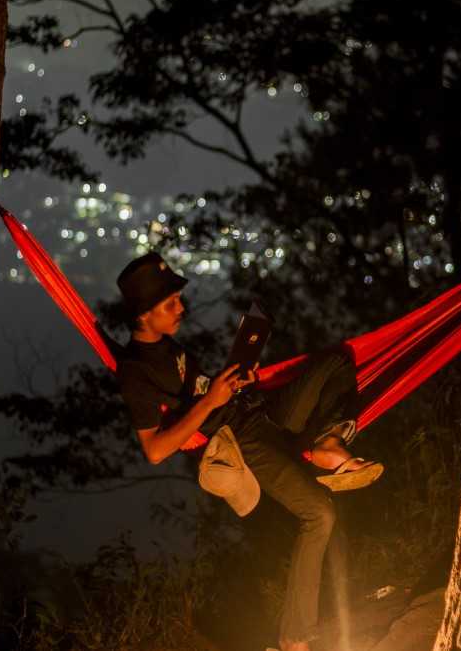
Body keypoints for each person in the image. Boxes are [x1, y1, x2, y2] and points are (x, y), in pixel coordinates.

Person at [114, 251, 382, 651]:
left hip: (259, 412)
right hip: (242, 441)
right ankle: (293, 637)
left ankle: (327, 445)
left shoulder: (167, 345)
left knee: (338, 361)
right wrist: (211, 402)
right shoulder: (135, 371)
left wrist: (237, 381)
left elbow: (200, 390)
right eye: (170, 303)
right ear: (143, 314)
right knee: (319, 512)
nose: (180, 307)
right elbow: (154, 449)